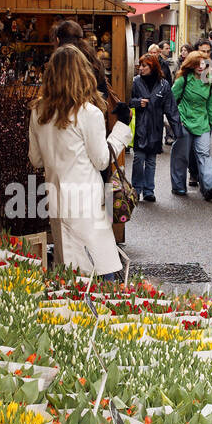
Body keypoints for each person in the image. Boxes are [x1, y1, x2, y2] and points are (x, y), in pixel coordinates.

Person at [28, 45, 134, 280]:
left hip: (57, 199)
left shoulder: (38, 111)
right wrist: (121, 129)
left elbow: (35, 158)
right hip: (87, 202)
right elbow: (102, 160)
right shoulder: (89, 113)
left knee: (70, 271)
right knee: (99, 269)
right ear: (83, 75)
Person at [169, 51, 212, 200]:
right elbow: (171, 101)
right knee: (182, 155)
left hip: (202, 123)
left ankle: (209, 186)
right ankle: (178, 186)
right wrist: (175, 121)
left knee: (203, 154)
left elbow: (211, 104)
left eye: (203, 63)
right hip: (184, 121)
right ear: (191, 65)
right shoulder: (183, 80)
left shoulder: (208, 79)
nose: (201, 66)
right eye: (197, 63)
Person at [131, 53, 179, 203]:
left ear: (153, 67)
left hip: (155, 127)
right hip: (140, 125)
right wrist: (138, 102)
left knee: (151, 160)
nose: (141, 69)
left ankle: (149, 191)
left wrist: (178, 131)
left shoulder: (164, 85)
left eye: (145, 66)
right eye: (141, 65)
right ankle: (136, 189)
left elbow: (171, 108)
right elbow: (126, 100)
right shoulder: (135, 82)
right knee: (139, 158)